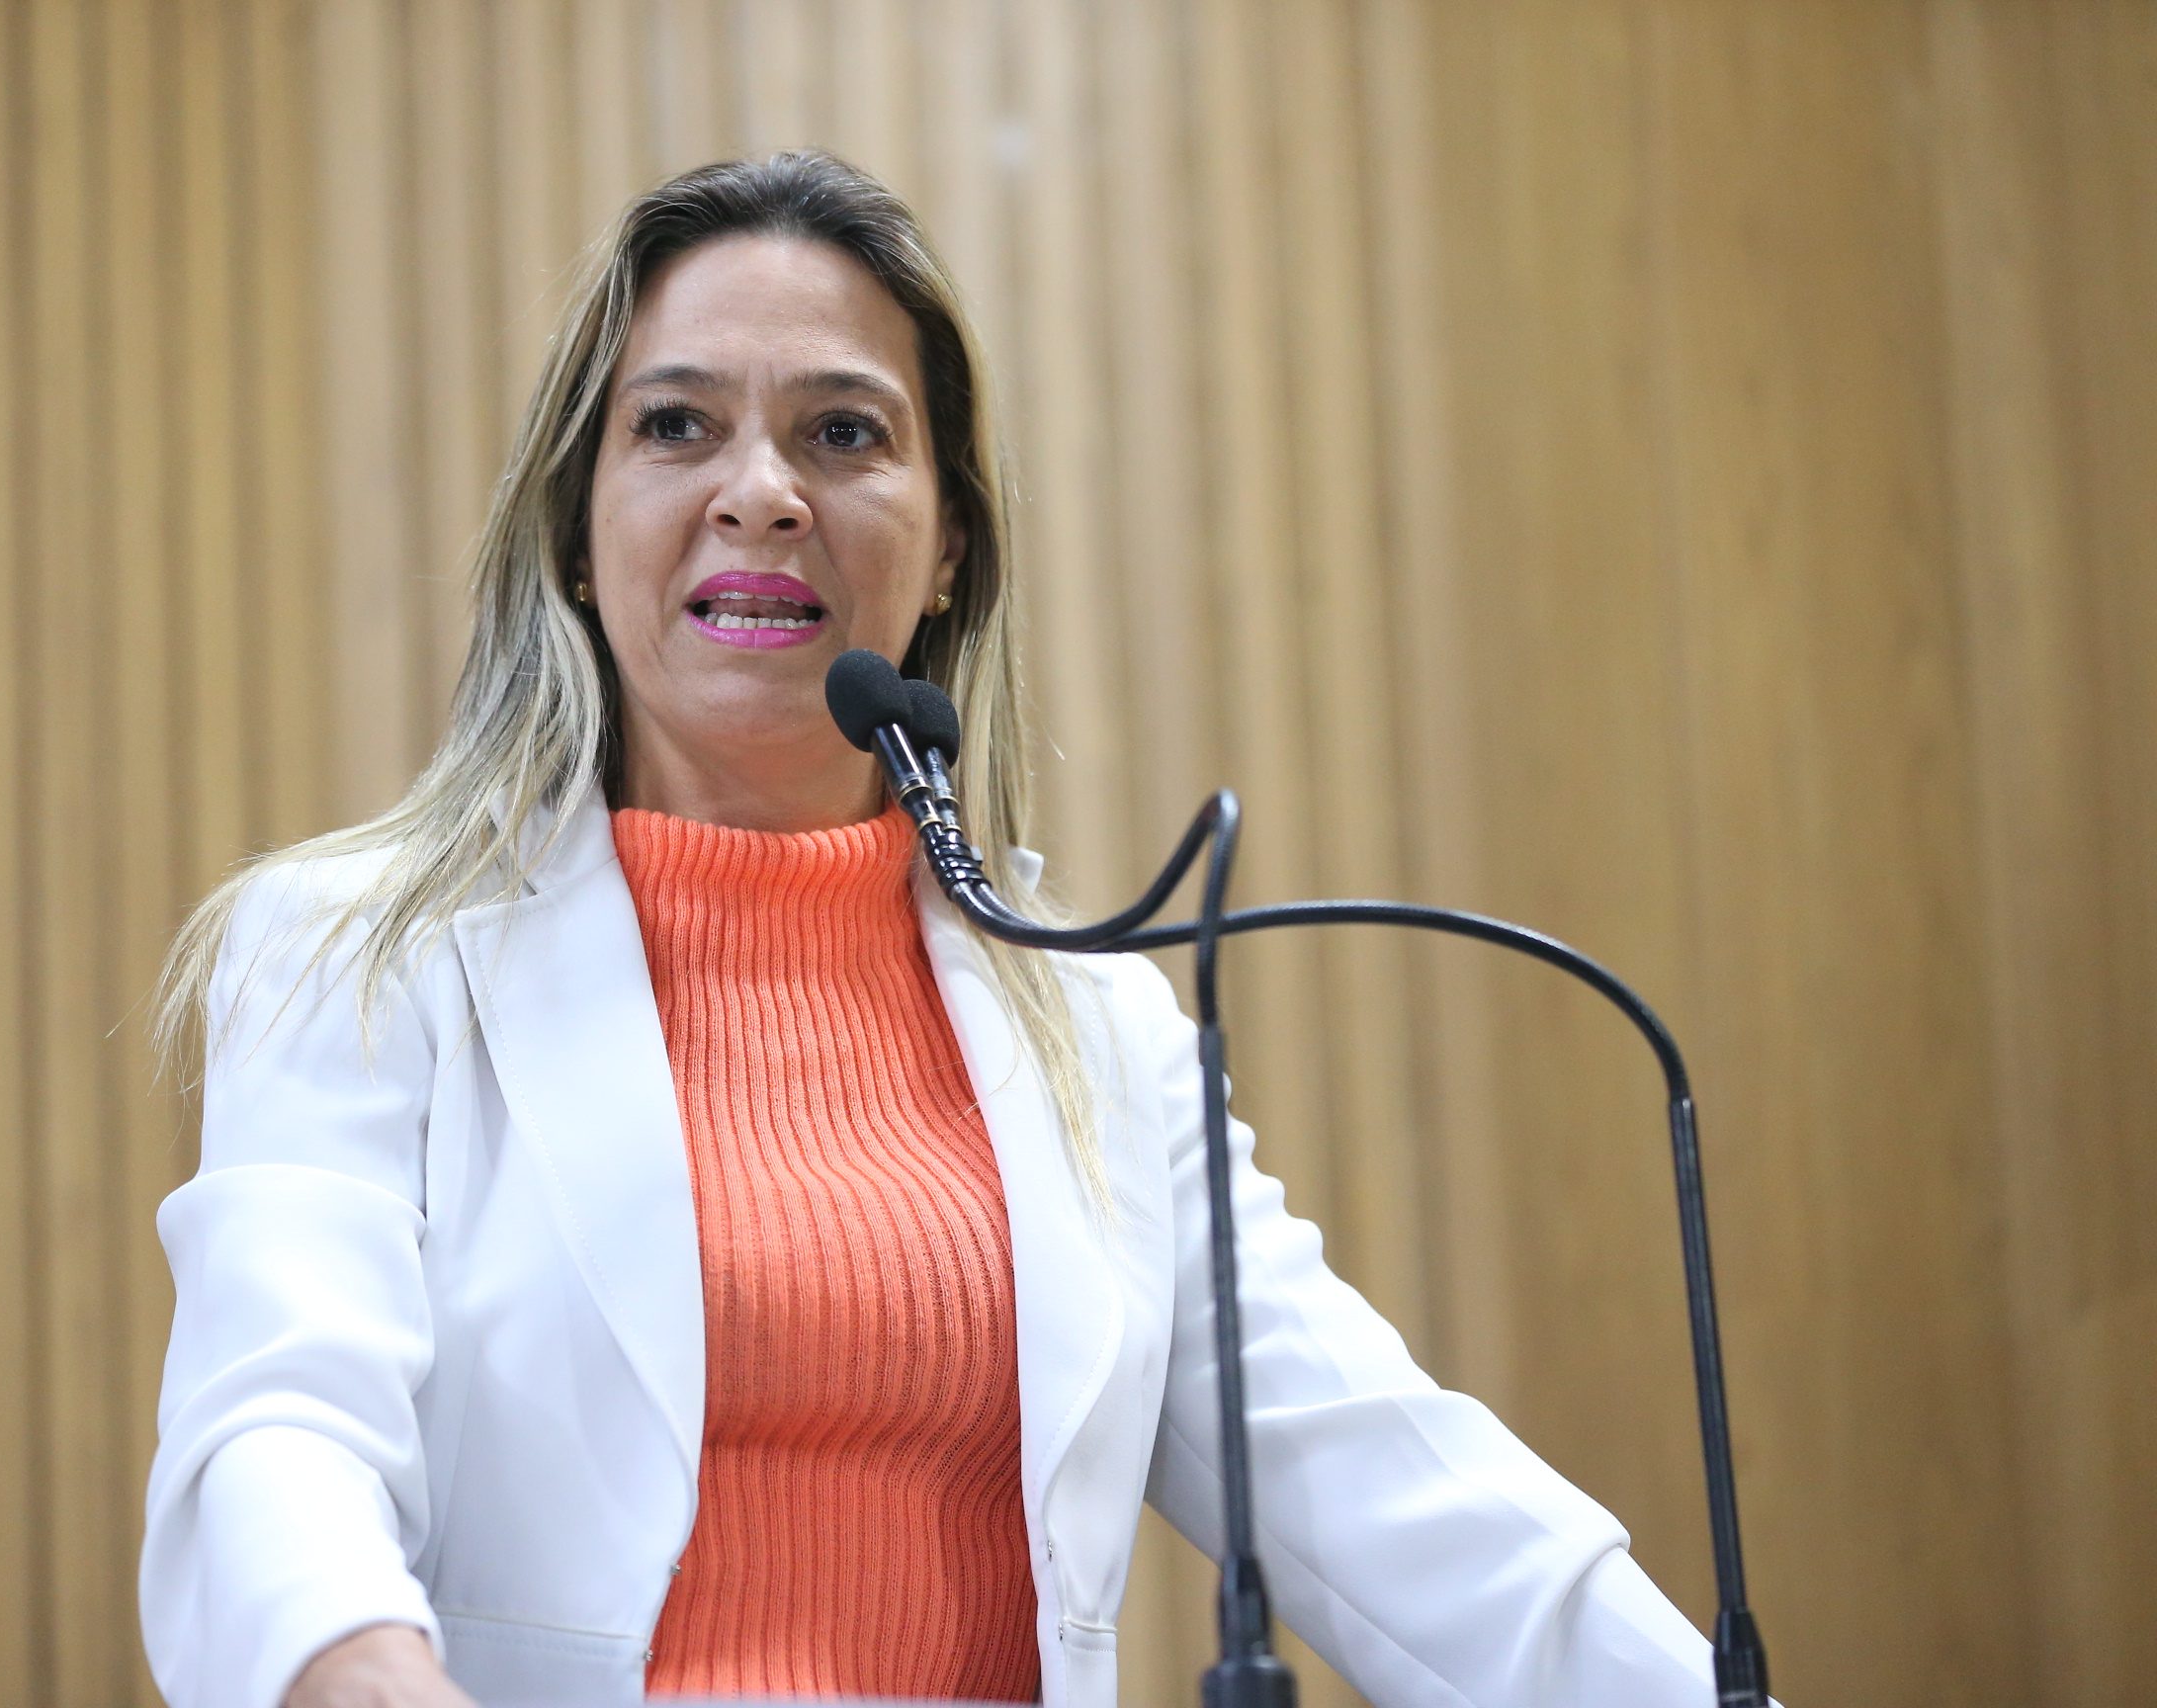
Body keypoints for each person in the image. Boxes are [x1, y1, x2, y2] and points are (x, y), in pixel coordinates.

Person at [141, 151, 1740, 1708]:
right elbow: (276, 1432)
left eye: (842, 433)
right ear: (576, 523)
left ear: (952, 539)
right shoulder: (359, 955)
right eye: (677, 426)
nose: (760, 495)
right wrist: (355, 1666)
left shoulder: (1093, 1027)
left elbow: (1391, 1486)